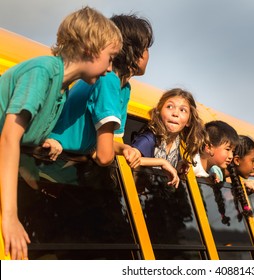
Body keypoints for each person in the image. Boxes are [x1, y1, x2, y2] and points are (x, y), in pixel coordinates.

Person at [0, 6, 123, 260]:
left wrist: (45, 140)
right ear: (90, 48)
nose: (110, 68)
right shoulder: (43, 72)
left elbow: (21, 139)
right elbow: (9, 138)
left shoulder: (62, 89)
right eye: (110, 57)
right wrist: (10, 218)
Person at [46, 13, 154, 168]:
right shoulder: (108, 80)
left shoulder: (122, 87)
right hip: (52, 160)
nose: (148, 54)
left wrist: (126, 148)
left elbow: (108, 142)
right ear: (133, 52)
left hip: (62, 160)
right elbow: (104, 157)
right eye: (145, 48)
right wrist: (100, 151)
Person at [132, 88, 206, 188]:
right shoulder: (151, 137)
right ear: (159, 112)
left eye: (183, 110)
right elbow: (130, 158)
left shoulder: (179, 143)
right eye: (169, 107)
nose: (175, 113)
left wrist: (178, 167)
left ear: (189, 121)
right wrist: (162, 163)